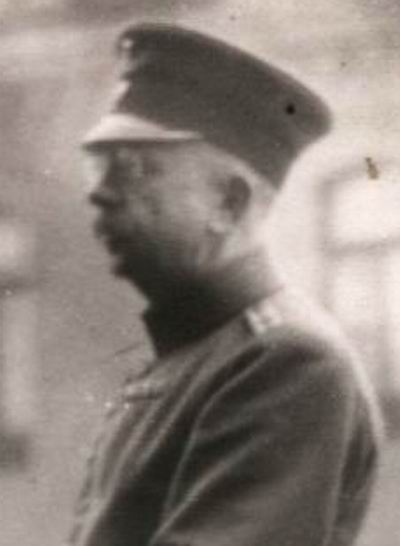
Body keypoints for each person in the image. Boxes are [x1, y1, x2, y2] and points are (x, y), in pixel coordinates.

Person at [70, 23, 382, 546]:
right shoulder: (198, 355)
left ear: (228, 202)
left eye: (134, 170)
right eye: (98, 168)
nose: (99, 194)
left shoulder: (285, 363)